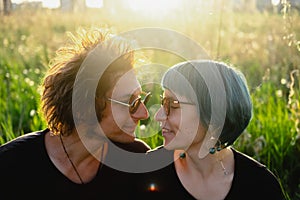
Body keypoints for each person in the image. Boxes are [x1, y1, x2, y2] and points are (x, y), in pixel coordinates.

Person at [0, 27, 152, 199]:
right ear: (85, 108)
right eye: (130, 103)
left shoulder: (136, 160)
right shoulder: (10, 166)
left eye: (141, 99)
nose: (143, 113)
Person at [137, 60, 286, 200]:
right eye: (163, 102)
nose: (158, 116)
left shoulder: (260, 186)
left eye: (173, 105)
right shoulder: (147, 172)